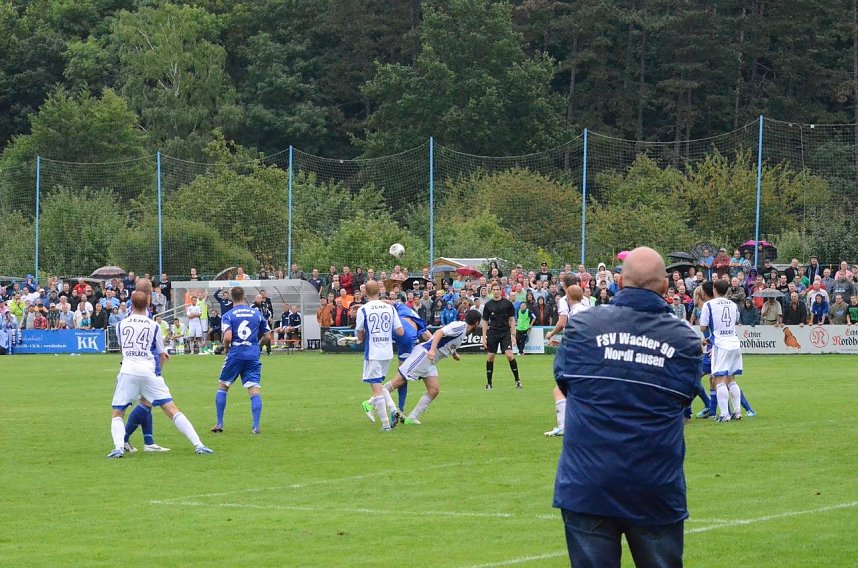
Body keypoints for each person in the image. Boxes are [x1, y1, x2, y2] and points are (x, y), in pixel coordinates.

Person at [553, 247, 700, 567]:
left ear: (618, 281)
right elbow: (685, 398)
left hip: (587, 483)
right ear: (665, 288)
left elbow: (565, 384)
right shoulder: (685, 340)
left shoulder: (581, 328)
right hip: (654, 487)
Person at [107, 291, 213, 457]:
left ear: (131, 305)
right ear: (148, 305)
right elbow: (162, 354)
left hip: (128, 370)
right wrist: (159, 372)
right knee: (172, 410)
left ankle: (118, 448)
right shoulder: (154, 325)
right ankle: (199, 445)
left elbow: (123, 349)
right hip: (148, 371)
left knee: (118, 413)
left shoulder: (121, 324)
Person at [374, 310, 482, 426]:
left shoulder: (463, 330)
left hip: (431, 361)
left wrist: (454, 354)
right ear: (476, 322)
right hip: (424, 355)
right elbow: (440, 332)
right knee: (398, 381)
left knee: (434, 390)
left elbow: (449, 342)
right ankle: (370, 403)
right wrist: (432, 350)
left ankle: (412, 417)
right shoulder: (460, 327)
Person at [211, 287, 271, 434]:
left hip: (236, 354)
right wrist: (258, 347)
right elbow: (268, 336)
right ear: (244, 296)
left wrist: (226, 349)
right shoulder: (256, 313)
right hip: (252, 354)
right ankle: (256, 426)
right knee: (254, 389)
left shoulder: (228, 315)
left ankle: (219, 423)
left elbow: (227, 337)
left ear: (231, 298)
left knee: (223, 386)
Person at [354, 281, 404, 431]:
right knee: (379, 385)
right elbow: (400, 331)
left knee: (375, 388)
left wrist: (361, 336)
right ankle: (393, 409)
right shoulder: (390, 308)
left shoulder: (363, 309)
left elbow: (360, 335)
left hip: (373, 352)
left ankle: (385, 424)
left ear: (365, 293)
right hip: (387, 352)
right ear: (380, 292)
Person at [544, 280, 589, 437]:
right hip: (588, 357)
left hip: (578, 358)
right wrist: (561, 341)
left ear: (568, 297)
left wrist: (561, 341)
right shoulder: (587, 310)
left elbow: (576, 337)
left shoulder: (575, 314)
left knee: (559, 390)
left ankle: (563, 426)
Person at [700, 279, 744, 422]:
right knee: (731, 378)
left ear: (714, 289)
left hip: (721, 344)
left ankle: (724, 414)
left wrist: (709, 337)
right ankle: (737, 411)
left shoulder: (708, 305)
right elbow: (736, 319)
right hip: (734, 342)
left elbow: (703, 327)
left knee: (719, 379)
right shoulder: (733, 304)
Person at [481, 283, 521, 389]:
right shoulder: (488, 305)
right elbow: (485, 321)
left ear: (500, 291)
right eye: (494, 289)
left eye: (497, 289)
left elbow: (512, 320)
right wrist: (484, 336)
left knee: (509, 355)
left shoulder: (507, 304)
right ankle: (489, 383)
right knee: (490, 357)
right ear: (492, 291)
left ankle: (517, 381)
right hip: (493, 333)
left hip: (505, 333)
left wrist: (513, 335)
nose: (495, 291)